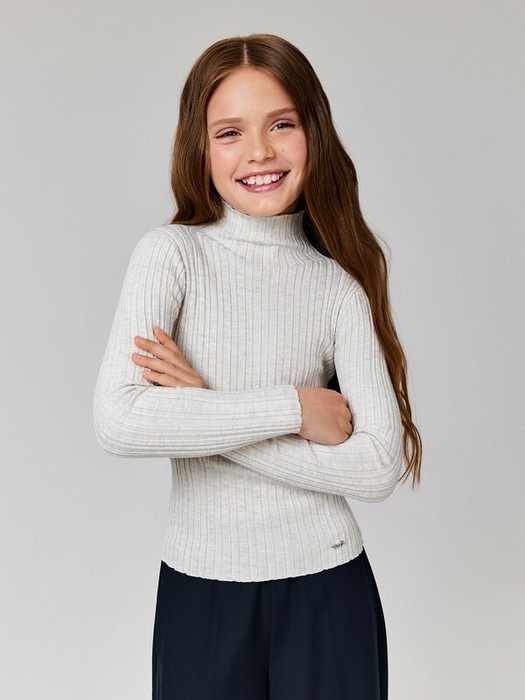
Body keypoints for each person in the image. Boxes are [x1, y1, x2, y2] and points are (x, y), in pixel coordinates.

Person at [93, 33, 422, 700]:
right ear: (200, 148)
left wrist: (200, 405)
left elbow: (378, 465)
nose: (259, 152)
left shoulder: (338, 287)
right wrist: (294, 409)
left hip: (330, 589)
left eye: (281, 125)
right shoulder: (171, 256)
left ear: (313, 132)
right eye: (230, 133)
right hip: (201, 593)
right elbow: (119, 420)